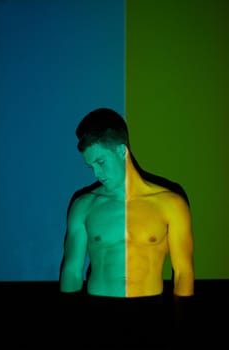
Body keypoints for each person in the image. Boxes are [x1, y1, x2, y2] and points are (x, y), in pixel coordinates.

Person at [59, 108, 195, 349]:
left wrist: (182, 325)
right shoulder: (84, 205)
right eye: (91, 167)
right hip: (98, 312)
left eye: (100, 162)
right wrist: (69, 327)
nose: (97, 173)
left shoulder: (171, 203)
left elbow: (183, 271)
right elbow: (71, 271)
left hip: (152, 313)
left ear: (122, 151)